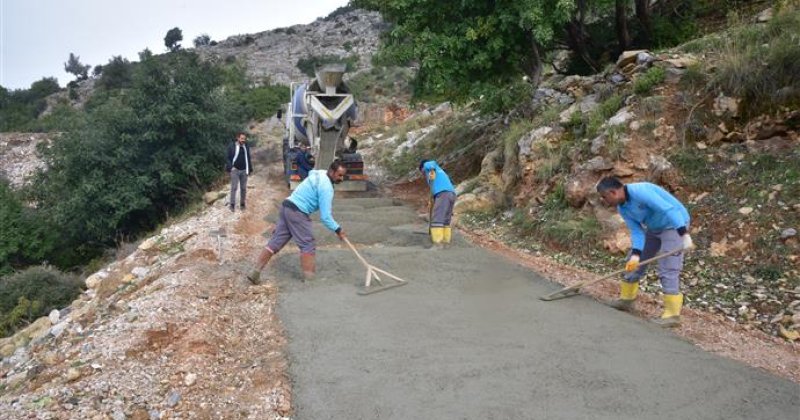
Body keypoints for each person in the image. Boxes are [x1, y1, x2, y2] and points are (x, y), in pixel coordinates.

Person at [596, 176, 694, 327]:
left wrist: (683, 234)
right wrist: (636, 255)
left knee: (668, 267)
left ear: (613, 192)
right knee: (634, 262)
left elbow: (668, 209)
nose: (604, 200)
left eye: (604, 197)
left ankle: (672, 315)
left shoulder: (641, 191)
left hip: (674, 225)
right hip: (654, 228)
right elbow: (636, 231)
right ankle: (626, 300)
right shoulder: (623, 208)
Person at [247, 160, 348, 284]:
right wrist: (338, 229)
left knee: (275, 242)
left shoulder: (320, 173)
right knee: (307, 244)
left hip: (287, 207)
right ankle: (310, 280)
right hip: (298, 212)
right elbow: (325, 217)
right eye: (339, 175)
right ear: (332, 172)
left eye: (343, 175)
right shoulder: (326, 187)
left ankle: (255, 272)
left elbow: (311, 172)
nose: (341, 178)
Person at [419, 159, 457, 249]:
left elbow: (431, 163)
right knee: (445, 220)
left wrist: (429, 167)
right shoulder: (440, 171)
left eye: (422, 172)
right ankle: (446, 242)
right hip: (451, 194)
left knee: (437, 218)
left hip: (443, 193)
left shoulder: (429, 166)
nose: (423, 174)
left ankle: (437, 243)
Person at [225, 132, 253, 211]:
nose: (243, 140)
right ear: (238, 138)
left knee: (243, 188)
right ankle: (232, 205)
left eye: (244, 139)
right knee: (234, 187)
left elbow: (248, 157)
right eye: (242, 138)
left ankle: (242, 204)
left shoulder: (246, 146)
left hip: (244, 170)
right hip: (235, 170)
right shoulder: (232, 146)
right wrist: (231, 167)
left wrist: (250, 169)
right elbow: (227, 158)